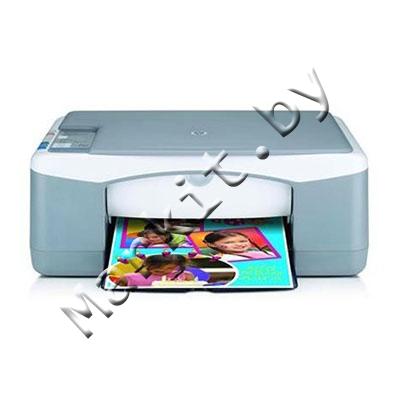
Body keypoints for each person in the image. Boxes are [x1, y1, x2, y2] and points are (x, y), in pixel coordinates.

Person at [110, 254, 195, 287]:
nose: (163, 270)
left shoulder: (186, 275)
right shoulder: (130, 277)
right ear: (147, 266)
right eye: (158, 269)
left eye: (169, 268)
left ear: (176, 266)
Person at [202, 231, 275, 261]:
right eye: (229, 242)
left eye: (243, 241)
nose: (239, 244)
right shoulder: (222, 258)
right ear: (212, 244)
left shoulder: (261, 252)